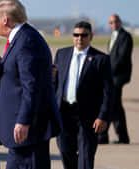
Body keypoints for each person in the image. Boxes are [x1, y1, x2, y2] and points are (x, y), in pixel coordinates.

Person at [0, 0, 62, 169]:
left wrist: (23, 120)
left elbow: (31, 86)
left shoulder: (26, 41)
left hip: (27, 133)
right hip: (24, 134)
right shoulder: (22, 38)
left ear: (5, 20)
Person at [53, 21, 113, 169]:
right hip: (64, 113)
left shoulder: (101, 59)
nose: (79, 38)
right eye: (76, 35)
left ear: (91, 36)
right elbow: (54, 84)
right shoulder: (62, 54)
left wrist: (103, 116)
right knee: (66, 153)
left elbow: (108, 91)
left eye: (84, 35)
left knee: (86, 158)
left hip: (88, 117)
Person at [98, 14, 133, 144]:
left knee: (111, 104)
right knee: (116, 106)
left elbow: (122, 58)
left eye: (115, 21)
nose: (113, 24)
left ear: (120, 22)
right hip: (112, 75)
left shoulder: (125, 36)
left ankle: (103, 136)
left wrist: (108, 72)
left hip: (118, 76)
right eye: (111, 22)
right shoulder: (113, 36)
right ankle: (122, 137)